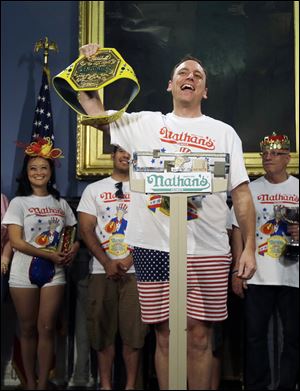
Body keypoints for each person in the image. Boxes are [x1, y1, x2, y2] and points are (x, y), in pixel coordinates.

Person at [63, 44, 257, 390]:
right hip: (153, 247)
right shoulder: (145, 123)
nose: (190, 77)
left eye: (198, 75)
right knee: (164, 334)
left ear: (205, 90)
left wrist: (249, 248)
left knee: (199, 336)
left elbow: (241, 194)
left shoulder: (223, 132)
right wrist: (87, 69)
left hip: (208, 249)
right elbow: (93, 109)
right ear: (170, 85)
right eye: (183, 72)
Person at [2, 137, 80, 390]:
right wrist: (49, 255)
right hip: (23, 271)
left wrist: (73, 250)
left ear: (50, 171)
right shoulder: (18, 203)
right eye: (33, 168)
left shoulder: (60, 203)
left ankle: (44, 383)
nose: (38, 173)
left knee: (46, 326)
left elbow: (73, 234)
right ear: (27, 172)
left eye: (43, 168)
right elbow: (15, 242)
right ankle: (30, 383)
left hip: (54, 273)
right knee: (26, 328)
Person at [231, 132, 299, 390]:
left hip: (293, 275)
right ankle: (256, 385)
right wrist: (237, 269)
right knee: (254, 336)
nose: (268, 158)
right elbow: (235, 228)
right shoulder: (250, 189)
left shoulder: (298, 188)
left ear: (287, 158)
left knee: (292, 337)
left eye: (275, 154)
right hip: (256, 274)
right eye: (265, 154)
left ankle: (287, 385)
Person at [77, 145, 149, 390]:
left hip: (136, 272)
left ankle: (130, 386)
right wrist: (107, 262)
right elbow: (86, 230)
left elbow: (154, 227)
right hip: (101, 271)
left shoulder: (146, 188)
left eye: (130, 151)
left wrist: (130, 260)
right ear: (112, 155)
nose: (125, 156)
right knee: (102, 332)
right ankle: (106, 386)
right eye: (120, 151)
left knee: (134, 334)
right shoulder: (94, 190)